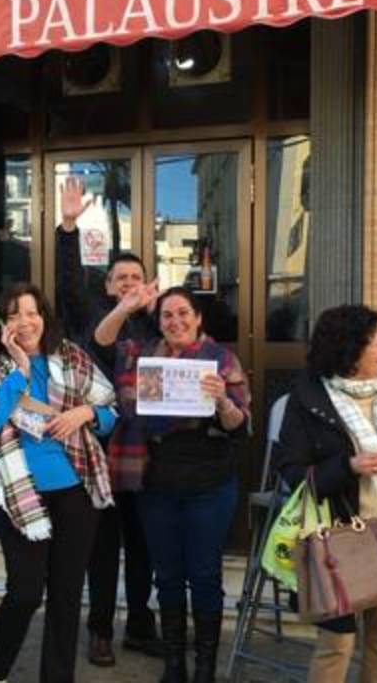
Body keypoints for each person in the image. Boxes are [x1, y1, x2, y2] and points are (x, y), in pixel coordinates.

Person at [272, 305, 377, 683]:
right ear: (350, 351)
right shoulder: (308, 393)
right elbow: (291, 471)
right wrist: (348, 467)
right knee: (338, 642)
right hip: (339, 534)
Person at [0, 282, 118, 683]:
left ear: (44, 318)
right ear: (3, 323)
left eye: (32, 312)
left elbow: (111, 409)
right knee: (26, 592)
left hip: (75, 490)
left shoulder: (70, 356)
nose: (25, 321)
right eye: (14, 313)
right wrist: (17, 370)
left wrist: (84, 414)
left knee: (67, 596)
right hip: (20, 494)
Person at [99, 286, 250, 683]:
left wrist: (223, 403)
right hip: (157, 482)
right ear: (159, 321)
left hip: (210, 481)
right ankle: (174, 666)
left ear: (198, 318)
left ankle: (203, 669)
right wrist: (125, 306)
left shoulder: (220, 359)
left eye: (184, 314)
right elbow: (102, 340)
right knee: (166, 576)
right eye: (167, 315)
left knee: (204, 575)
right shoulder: (142, 356)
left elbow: (240, 425)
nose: (176, 322)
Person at [56, 174, 164, 665]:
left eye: (135, 279)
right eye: (120, 279)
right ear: (108, 285)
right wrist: (69, 226)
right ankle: (99, 629)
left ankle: (140, 624)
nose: (128, 285)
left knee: (143, 547)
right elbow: (67, 281)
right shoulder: (90, 316)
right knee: (101, 549)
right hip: (98, 452)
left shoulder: (158, 321)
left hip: (146, 456)